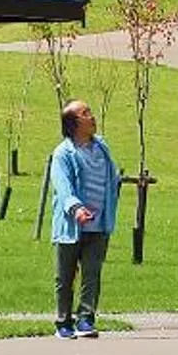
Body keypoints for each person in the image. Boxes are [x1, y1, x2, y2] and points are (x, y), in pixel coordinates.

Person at [45, 100, 119, 340]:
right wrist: (76, 208)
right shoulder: (63, 154)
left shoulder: (102, 148)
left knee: (92, 274)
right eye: (86, 113)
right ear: (74, 123)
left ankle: (86, 319)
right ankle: (63, 322)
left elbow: (111, 178)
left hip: (98, 225)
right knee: (65, 276)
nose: (92, 116)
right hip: (71, 225)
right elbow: (62, 187)